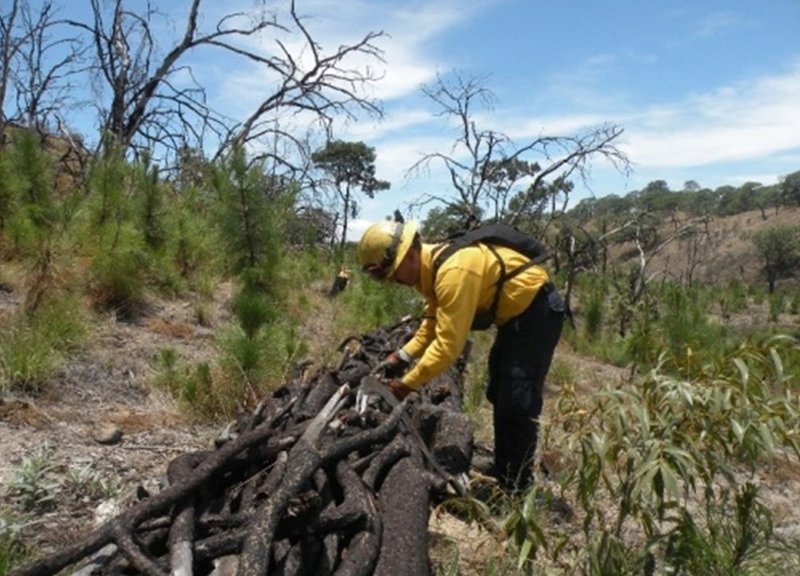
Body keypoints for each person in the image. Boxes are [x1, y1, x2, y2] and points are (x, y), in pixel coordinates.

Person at [357, 219, 564, 491]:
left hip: (537, 312)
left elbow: (447, 347)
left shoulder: (454, 271)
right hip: (514, 318)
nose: (395, 282)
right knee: (499, 391)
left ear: (408, 256)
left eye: (393, 274)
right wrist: (401, 357)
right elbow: (431, 323)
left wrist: (404, 386)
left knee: (518, 400)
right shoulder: (431, 269)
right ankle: (506, 466)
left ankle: (518, 487)